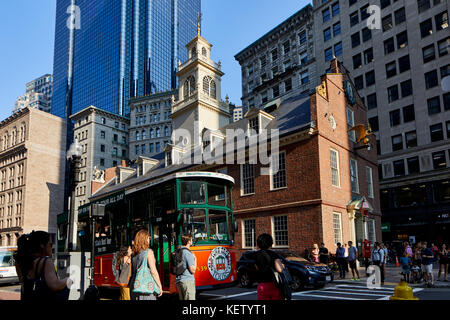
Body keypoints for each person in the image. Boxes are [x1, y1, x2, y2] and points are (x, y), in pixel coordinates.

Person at [15, 231, 70, 300]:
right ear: (42, 245)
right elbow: (54, 285)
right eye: (50, 244)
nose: (52, 247)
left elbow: (23, 281)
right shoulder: (46, 262)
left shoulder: (21, 262)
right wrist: (68, 279)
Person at [129, 230, 163, 300]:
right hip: (145, 286)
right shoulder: (148, 252)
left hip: (134, 285)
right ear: (144, 239)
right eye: (148, 238)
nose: (149, 240)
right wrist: (160, 286)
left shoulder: (133, 254)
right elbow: (153, 271)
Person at [254, 233, 285, 300]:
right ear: (270, 243)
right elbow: (279, 269)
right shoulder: (273, 254)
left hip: (261, 285)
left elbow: (256, 268)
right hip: (273, 284)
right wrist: (283, 266)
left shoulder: (255, 255)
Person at [176, 234, 197, 300]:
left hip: (179, 281)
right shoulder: (187, 253)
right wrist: (195, 259)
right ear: (188, 242)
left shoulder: (179, 251)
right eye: (191, 240)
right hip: (187, 281)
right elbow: (192, 270)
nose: (192, 241)